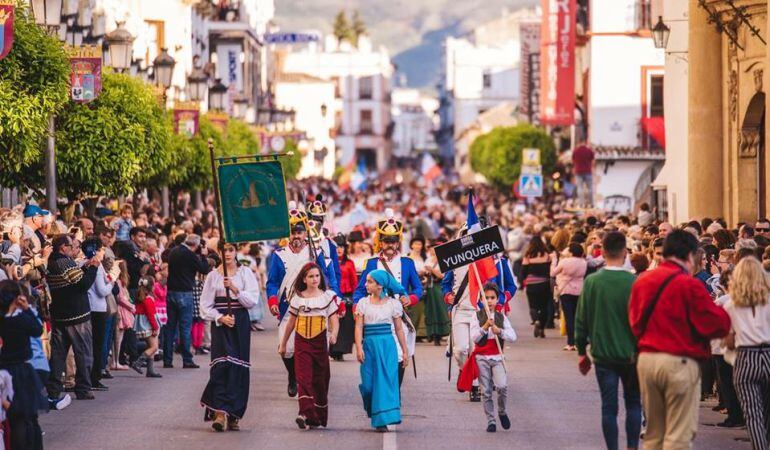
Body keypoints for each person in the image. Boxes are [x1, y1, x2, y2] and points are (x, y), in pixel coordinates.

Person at [629, 230, 731, 450]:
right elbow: (718, 324)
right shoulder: (689, 285)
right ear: (691, 255)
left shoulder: (643, 281)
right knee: (678, 434)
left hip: (647, 360)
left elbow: (634, 322)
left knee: (654, 432)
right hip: (679, 361)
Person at [575, 231, 641, 450]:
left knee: (608, 407)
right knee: (633, 404)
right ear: (624, 252)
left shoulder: (593, 282)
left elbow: (581, 319)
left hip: (603, 355)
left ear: (602, 253)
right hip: (631, 354)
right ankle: (632, 446)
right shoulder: (634, 282)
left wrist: (582, 352)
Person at [268, 203, 337, 397]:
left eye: (299, 232)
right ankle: (292, 374)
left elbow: (325, 279)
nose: (296, 236)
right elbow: (272, 282)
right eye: (292, 232)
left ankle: (307, 382)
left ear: (305, 233)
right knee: (285, 348)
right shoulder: (279, 255)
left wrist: (332, 301)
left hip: (313, 305)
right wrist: (273, 301)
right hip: (287, 305)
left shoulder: (315, 253)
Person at [353, 209, 423, 386]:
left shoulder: (408, 263)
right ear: (380, 241)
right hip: (375, 316)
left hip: (398, 313)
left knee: (400, 355)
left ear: (398, 242)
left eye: (393, 241)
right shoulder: (371, 263)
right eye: (386, 240)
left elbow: (418, 288)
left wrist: (411, 298)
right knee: (377, 358)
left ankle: (394, 391)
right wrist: (357, 308)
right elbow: (359, 291)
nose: (390, 244)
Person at [200, 243, 259, 432]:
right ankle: (220, 412)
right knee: (221, 364)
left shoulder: (245, 273)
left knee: (238, 365)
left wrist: (234, 288)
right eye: (223, 250)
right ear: (218, 252)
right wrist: (220, 318)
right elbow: (205, 306)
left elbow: (252, 300)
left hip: (239, 321)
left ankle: (234, 413)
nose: (227, 254)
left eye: (230, 250)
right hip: (221, 323)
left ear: (236, 252)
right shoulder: (212, 276)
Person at [279, 262, 340, 429]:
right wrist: (283, 344)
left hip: (320, 341)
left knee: (320, 378)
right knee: (303, 377)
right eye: (311, 276)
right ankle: (304, 413)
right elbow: (291, 322)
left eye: (317, 276)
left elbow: (334, 320)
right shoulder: (298, 298)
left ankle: (317, 416)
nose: (314, 279)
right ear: (304, 279)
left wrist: (333, 334)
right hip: (301, 341)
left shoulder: (327, 297)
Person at [46, 234, 101, 401]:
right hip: (76, 316)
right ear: (63, 247)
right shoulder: (64, 262)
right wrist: (93, 268)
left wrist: (84, 268)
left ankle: (53, 390)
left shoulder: (52, 262)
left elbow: (73, 279)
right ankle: (83, 388)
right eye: (72, 246)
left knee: (57, 355)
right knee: (83, 353)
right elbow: (83, 284)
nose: (74, 249)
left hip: (60, 316)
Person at [723, 257, 770, 450]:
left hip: (746, 356)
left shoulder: (731, 305)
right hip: (768, 352)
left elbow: (729, 340)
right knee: (767, 410)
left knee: (753, 413)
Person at [355, 269, 409, 432]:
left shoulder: (393, 304)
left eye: (370, 282)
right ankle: (372, 407)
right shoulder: (363, 303)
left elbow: (399, 329)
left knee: (385, 382)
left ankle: (382, 419)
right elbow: (358, 326)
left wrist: (405, 351)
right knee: (368, 386)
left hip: (387, 346)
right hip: (369, 345)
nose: (366, 284)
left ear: (380, 286)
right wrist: (358, 347)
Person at [0, 280, 47, 450]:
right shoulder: (21, 319)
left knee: (12, 416)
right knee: (26, 415)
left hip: (4, 369)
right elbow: (37, 329)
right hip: (22, 370)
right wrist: (27, 308)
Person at [466, 283, 517, 433]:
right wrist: (485, 327)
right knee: (486, 391)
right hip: (481, 357)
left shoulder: (501, 317)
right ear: (481, 299)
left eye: (492, 298)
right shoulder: (476, 316)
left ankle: (501, 411)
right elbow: (474, 337)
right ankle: (491, 420)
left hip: (497, 357)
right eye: (486, 298)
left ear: (497, 299)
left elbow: (513, 336)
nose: (489, 301)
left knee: (502, 386)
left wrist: (499, 331)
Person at [164, 233, 210, 369]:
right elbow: (204, 269)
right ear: (196, 245)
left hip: (171, 291)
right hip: (185, 293)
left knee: (170, 327)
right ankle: (187, 359)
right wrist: (203, 255)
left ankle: (168, 360)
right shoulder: (191, 255)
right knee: (185, 327)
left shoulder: (174, 251)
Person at [82, 237, 115, 391]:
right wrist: (112, 282)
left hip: (89, 307)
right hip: (97, 308)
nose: (103, 253)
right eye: (102, 249)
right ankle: (94, 377)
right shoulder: (97, 266)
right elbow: (102, 291)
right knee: (97, 345)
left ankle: (90, 376)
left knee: (91, 344)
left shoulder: (83, 263)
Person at [551, 242, 587, 351]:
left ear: (571, 251)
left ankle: (570, 342)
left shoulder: (565, 261)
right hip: (579, 290)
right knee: (577, 316)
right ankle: (578, 342)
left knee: (568, 317)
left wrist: (553, 262)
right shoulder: (583, 262)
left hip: (566, 290)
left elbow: (553, 273)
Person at [330, 234, 357, 361]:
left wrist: (355, 298)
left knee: (346, 325)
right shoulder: (328, 262)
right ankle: (332, 349)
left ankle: (340, 350)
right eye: (336, 247)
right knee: (332, 323)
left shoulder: (350, 263)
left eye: (341, 247)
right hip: (333, 295)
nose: (339, 249)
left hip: (346, 297)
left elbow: (354, 282)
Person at [520, 234, 552, 338]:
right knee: (544, 306)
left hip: (532, 283)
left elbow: (523, 271)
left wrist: (523, 281)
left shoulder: (528, 255)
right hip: (544, 283)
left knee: (533, 305)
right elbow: (550, 269)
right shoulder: (547, 255)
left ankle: (536, 320)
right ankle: (542, 327)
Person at [130, 275, 163, 378]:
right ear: (150, 287)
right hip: (148, 326)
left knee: (150, 346)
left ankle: (150, 370)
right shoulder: (148, 299)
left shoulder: (141, 297)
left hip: (143, 325)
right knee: (154, 347)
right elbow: (151, 316)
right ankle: (138, 363)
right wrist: (155, 327)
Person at [572, 142, 594, 206]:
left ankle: (581, 203)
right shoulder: (589, 150)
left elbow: (573, 161)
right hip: (588, 171)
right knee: (590, 188)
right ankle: (591, 203)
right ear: (585, 142)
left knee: (580, 188)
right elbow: (593, 160)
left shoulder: (576, 151)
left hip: (578, 172)